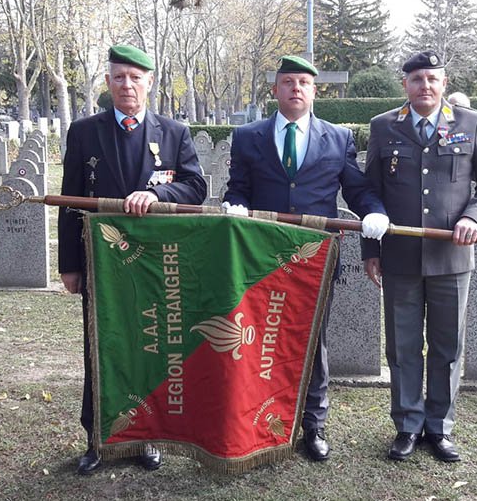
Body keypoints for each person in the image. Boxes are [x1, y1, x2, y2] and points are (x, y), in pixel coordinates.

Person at [222, 55, 389, 462]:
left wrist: (373, 211)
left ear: (314, 91)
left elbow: (356, 188)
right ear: (275, 89)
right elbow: (238, 187)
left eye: (303, 82)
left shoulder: (337, 138)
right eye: (288, 82)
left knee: (313, 341)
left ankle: (313, 425)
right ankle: (259, 421)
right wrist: (234, 203)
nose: (296, 88)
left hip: (315, 259)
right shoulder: (248, 136)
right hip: (261, 256)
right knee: (260, 341)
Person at [58, 44, 207, 475]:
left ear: (149, 82)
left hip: (154, 265)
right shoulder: (84, 132)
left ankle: (145, 436)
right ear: (108, 82)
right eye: (119, 77)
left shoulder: (174, 133)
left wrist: (157, 194)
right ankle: (98, 439)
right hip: (100, 262)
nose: (127, 85)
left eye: (135, 78)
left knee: (150, 347)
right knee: (100, 348)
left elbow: (196, 187)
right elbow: (69, 200)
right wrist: (70, 264)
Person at [362, 51, 477, 463]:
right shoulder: (383, 126)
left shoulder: (470, 122)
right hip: (400, 256)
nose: (424, 85)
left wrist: (474, 218)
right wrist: (371, 247)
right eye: (417, 79)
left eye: (432, 78)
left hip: (451, 258)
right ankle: (408, 425)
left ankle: (439, 427)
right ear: (405, 85)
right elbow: (370, 190)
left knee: (447, 347)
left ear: (444, 83)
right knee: (402, 347)